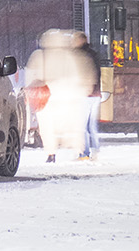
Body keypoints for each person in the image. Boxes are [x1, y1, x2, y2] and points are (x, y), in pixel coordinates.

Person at [24, 29, 95, 162]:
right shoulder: (70, 55)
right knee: (74, 125)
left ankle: (51, 153)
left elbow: (31, 76)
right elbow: (78, 76)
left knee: (47, 127)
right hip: (68, 95)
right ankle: (79, 151)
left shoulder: (39, 55)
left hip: (47, 97)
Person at [72, 32, 103, 161]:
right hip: (95, 94)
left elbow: (85, 74)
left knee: (82, 126)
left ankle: (84, 153)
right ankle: (95, 150)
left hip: (86, 94)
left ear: (81, 41)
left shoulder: (81, 55)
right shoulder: (93, 54)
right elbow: (97, 73)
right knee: (92, 126)